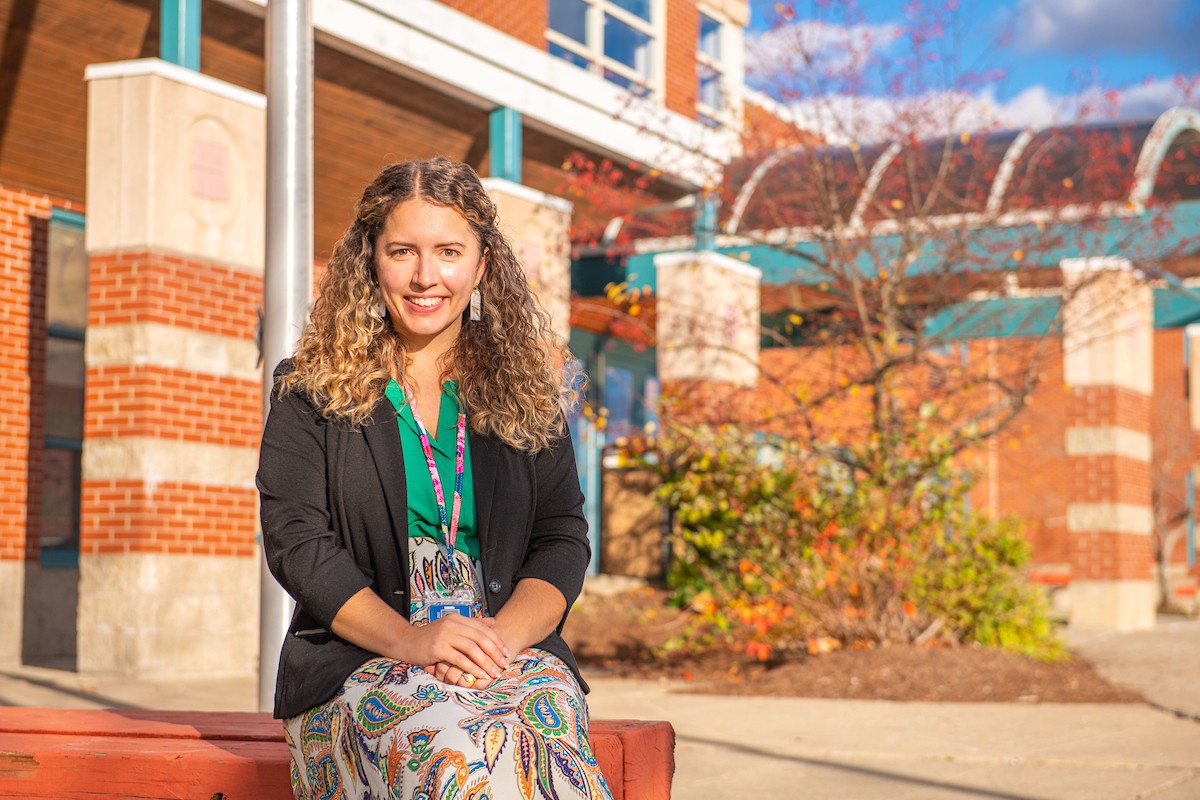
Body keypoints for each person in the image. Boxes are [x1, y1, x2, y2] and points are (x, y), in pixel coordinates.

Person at [257, 157, 611, 800]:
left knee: (546, 740)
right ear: (371, 259)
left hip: (505, 655)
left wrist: (496, 643)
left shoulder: (527, 390)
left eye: (449, 251)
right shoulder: (308, 390)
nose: (426, 276)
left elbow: (562, 536)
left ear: (482, 264)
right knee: (451, 751)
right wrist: (414, 640)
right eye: (403, 251)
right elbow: (297, 542)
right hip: (360, 661)